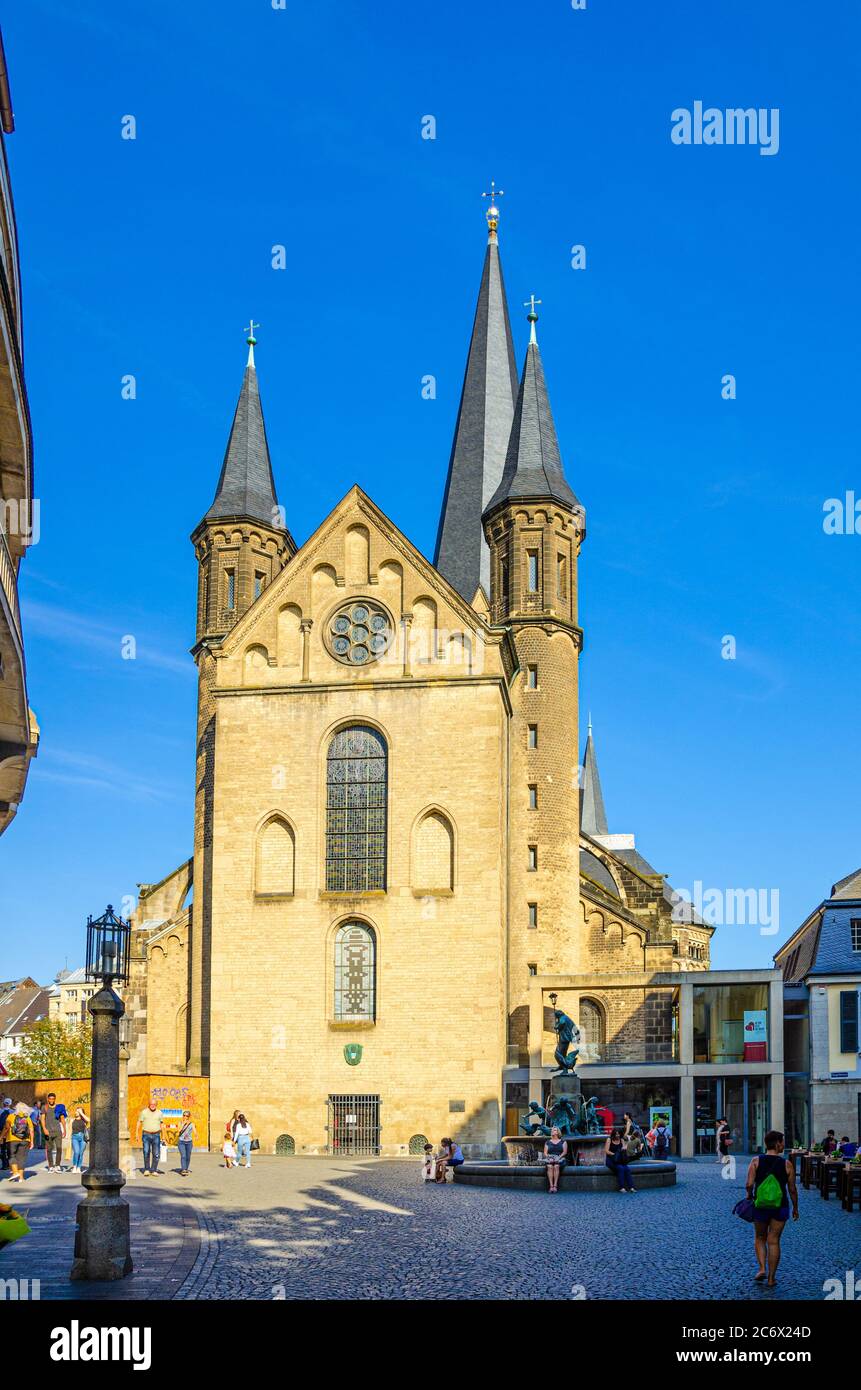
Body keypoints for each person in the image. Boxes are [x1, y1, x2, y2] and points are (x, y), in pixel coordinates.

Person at [745, 1129, 798, 1288]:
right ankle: (771, 1279)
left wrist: (749, 1196)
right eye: (782, 1142)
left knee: (760, 1237)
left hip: (760, 1205)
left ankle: (762, 1268)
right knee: (773, 1241)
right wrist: (795, 1208)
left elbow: (749, 1184)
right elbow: (792, 1189)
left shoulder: (755, 1161)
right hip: (780, 1206)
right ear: (777, 1143)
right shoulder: (787, 1164)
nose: (783, 1145)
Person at [2, 1103, 34, 1184]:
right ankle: (21, 1178)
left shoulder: (11, 1116)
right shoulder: (27, 1117)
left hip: (12, 1139)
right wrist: (32, 1141)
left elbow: (6, 1128)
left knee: (11, 1156)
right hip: (25, 1140)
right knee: (22, 1158)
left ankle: (15, 1172)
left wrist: (1, 1137)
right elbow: (31, 1130)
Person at [135, 1099, 164, 1176]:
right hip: (146, 1135)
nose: (153, 1105)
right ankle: (147, 1169)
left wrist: (163, 1136)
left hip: (156, 1135)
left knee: (156, 1153)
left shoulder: (159, 1113)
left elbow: (161, 1125)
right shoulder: (144, 1112)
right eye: (151, 1104)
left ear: (156, 1105)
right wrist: (136, 1133)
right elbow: (139, 1122)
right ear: (149, 1104)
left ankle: (154, 1170)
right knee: (146, 1152)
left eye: (154, 1104)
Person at [605, 1126, 636, 1192]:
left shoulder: (621, 1140)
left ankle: (631, 1187)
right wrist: (614, 1154)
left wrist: (625, 1148)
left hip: (619, 1160)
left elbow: (624, 1150)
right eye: (616, 1134)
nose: (617, 1135)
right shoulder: (609, 1139)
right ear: (613, 1134)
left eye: (619, 1134)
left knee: (627, 1169)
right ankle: (621, 1187)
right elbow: (606, 1151)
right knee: (620, 1168)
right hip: (611, 1160)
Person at [41, 1093, 67, 1172]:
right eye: (50, 1099)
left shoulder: (59, 1107)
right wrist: (44, 1129)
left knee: (59, 1148)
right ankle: (51, 1166)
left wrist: (64, 1130)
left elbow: (62, 1119)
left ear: (55, 1099)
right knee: (49, 1149)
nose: (51, 1100)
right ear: (48, 1099)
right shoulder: (44, 1107)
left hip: (58, 1131)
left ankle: (58, 1165)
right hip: (48, 1131)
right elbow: (42, 1119)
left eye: (53, 1099)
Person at [543, 1126, 568, 1194]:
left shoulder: (563, 1142)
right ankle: (551, 1186)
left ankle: (555, 1186)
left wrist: (558, 1158)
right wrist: (549, 1158)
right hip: (550, 1158)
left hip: (560, 1158)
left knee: (556, 1166)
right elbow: (545, 1153)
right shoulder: (547, 1142)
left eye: (554, 1130)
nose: (552, 1131)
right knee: (550, 1167)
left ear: (557, 1132)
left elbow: (564, 1152)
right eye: (552, 1130)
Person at [70, 1107, 89, 1173]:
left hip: (83, 1138)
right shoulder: (72, 1120)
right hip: (74, 1137)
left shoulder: (84, 1121)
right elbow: (70, 1130)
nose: (76, 1112)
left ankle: (79, 1167)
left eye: (78, 1111)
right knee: (76, 1152)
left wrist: (81, 1113)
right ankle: (74, 1166)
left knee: (81, 1153)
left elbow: (89, 1120)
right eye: (76, 1111)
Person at [0, 1098, 12, 1171]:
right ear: (10, 1104)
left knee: (3, 1149)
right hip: (10, 1133)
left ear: (3, 1103)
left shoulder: (0, 1111)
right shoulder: (13, 1112)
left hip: (2, 1132)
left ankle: (4, 1165)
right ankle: (10, 1165)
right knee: (10, 1149)